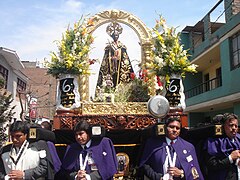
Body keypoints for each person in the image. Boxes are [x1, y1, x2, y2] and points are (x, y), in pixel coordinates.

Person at [139, 117, 204, 180]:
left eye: (177, 128)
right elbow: (145, 165)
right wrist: (159, 178)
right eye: (171, 127)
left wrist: (182, 173)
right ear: (165, 128)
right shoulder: (153, 144)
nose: (175, 130)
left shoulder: (188, 147)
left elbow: (195, 171)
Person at [97, 21, 134, 89]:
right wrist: (111, 58)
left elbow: (125, 59)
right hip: (110, 68)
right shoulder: (108, 47)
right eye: (114, 35)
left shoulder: (122, 47)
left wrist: (118, 58)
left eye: (117, 35)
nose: (115, 37)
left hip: (120, 68)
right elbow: (105, 59)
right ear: (112, 36)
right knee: (110, 80)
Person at [204, 113, 240, 180]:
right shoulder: (214, 142)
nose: (234, 128)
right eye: (231, 125)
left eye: (236, 126)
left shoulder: (238, 139)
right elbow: (212, 165)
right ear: (223, 127)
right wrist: (230, 158)